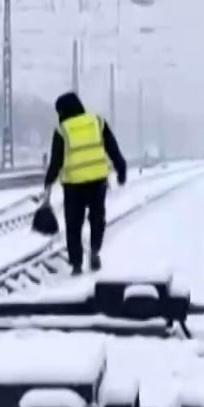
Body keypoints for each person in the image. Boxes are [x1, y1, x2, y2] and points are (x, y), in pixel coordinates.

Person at [43, 91, 128, 275]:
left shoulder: (62, 129)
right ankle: (95, 250)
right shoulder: (97, 122)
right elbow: (113, 148)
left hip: (73, 185)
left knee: (73, 225)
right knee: (97, 219)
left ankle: (76, 264)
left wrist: (48, 181)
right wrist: (121, 168)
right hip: (97, 181)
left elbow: (56, 161)